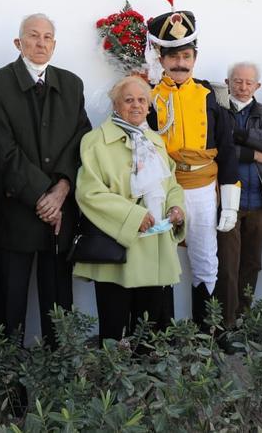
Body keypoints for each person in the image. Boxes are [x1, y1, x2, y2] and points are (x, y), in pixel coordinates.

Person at [0, 13, 90, 347]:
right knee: (9, 306)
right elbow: (4, 149)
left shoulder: (71, 84)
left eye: (47, 37)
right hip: (16, 214)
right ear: (19, 42)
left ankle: (60, 383)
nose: (40, 43)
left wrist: (62, 188)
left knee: (59, 305)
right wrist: (44, 195)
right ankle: (10, 389)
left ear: (54, 45)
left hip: (60, 217)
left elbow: (80, 138)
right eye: (33, 36)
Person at [145, 8, 239, 327]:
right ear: (161, 59)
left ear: (195, 57)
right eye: (173, 57)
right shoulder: (148, 97)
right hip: (163, 190)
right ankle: (163, 334)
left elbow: (227, 150)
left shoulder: (212, 95)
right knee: (163, 260)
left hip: (201, 189)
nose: (180, 63)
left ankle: (206, 332)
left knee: (205, 260)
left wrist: (229, 203)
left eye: (186, 55)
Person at [75, 76, 186, 340]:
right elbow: (89, 193)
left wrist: (176, 208)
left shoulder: (155, 141)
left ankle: (146, 373)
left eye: (141, 100)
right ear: (115, 105)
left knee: (147, 325)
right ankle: (113, 375)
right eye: (128, 100)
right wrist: (133, 216)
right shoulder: (95, 141)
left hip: (154, 245)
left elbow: (171, 183)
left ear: (148, 106)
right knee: (113, 323)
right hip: (118, 246)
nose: (136, 105)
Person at [213, 62, 262, 330]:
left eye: (248, 82)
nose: (243, 87)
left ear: (258, 86)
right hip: (228, 201)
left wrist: (238, 134)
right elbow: (219, 148)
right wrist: (253, 153)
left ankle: (243, 316)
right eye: (237, 81)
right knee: (227, 266)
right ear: (227, 81)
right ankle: (226, 323)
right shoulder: (218, 111)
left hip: (259, 202)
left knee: (252, 263)